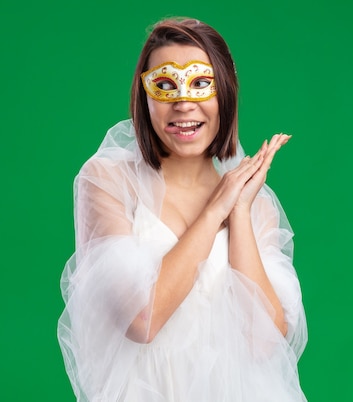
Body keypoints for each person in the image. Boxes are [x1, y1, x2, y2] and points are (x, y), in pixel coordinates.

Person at [57, 17, 308, 402]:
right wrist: (214, 212)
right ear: (146, 98)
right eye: (165, 86)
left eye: (200, 84)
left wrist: (238, 210)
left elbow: (264, 344)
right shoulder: (107, 181)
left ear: (225, 92)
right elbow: (143, 320)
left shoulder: (257, 210)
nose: (183, 103)